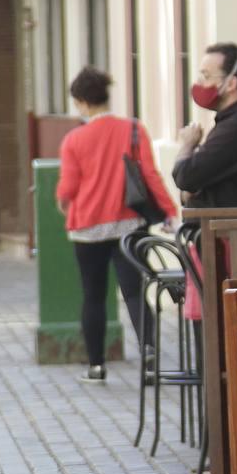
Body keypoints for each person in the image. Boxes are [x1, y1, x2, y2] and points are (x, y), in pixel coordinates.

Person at [56, 66, 176, 385]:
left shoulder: (73, 140)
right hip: (129, 223)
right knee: (135, 293)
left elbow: (68, 187)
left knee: (93, 296)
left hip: (88, 226)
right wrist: (168, 211)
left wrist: (61, 200)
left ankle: (96, 367)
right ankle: (149, 355)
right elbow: (150, 175)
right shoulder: (134, 130)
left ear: (82, 101)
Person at [171, 42, 237, 208]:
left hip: (225, 231)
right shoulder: (230, 121)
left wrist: (187, 145)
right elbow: (191, 185)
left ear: (231, 84)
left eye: (206, 76)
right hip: (210, 228)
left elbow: (185, 177)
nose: (199, 83)